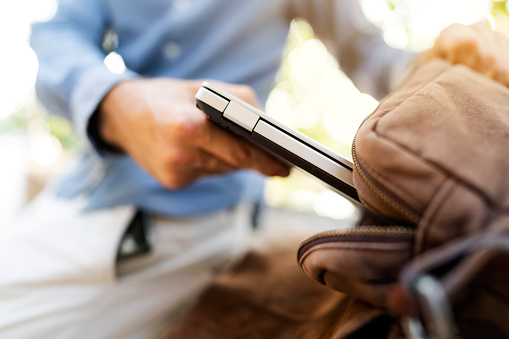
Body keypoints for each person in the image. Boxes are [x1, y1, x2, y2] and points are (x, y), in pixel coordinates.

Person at [1, 0, 508, 338]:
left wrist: (443, 57)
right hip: (75, 196)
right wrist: (117, 102)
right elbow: (57, 36)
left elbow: (370, 54)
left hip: (182, 230)